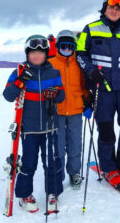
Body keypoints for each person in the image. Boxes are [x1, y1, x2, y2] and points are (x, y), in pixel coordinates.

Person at [76, 0, 120, 193]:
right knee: (106, 129)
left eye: (119, 8)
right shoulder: (91, 29)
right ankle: (109, 168)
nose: (114, 11)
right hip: (101, 88)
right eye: (111, 7)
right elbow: (80, 53)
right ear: (105, 8)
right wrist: (90, 70)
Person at [3, 35, 65, 213]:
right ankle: (24, 194)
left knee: (52, 161)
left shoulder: (54, 73)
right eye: (33, 53)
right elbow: (8, 96)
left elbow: (62, 96)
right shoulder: (18, 71)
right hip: (29, 128)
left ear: (46, 54)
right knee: (29, 162)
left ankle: (53, 192)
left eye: (40, 52)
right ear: (27, 54)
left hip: (50, 125)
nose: (37, 56)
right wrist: (20, 80)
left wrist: (55, 93)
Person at [48, 30, 90, 190]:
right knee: (57, 144)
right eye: (63, 46)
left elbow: (84, 85)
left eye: (70, 46)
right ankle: (58, 174)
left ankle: (74, 172)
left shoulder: (79, 63)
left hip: (75, 110)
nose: (67, 50)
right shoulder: (51, 63)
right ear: (58, 46)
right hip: (56, 111)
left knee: (75, 143)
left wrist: (87, 102)